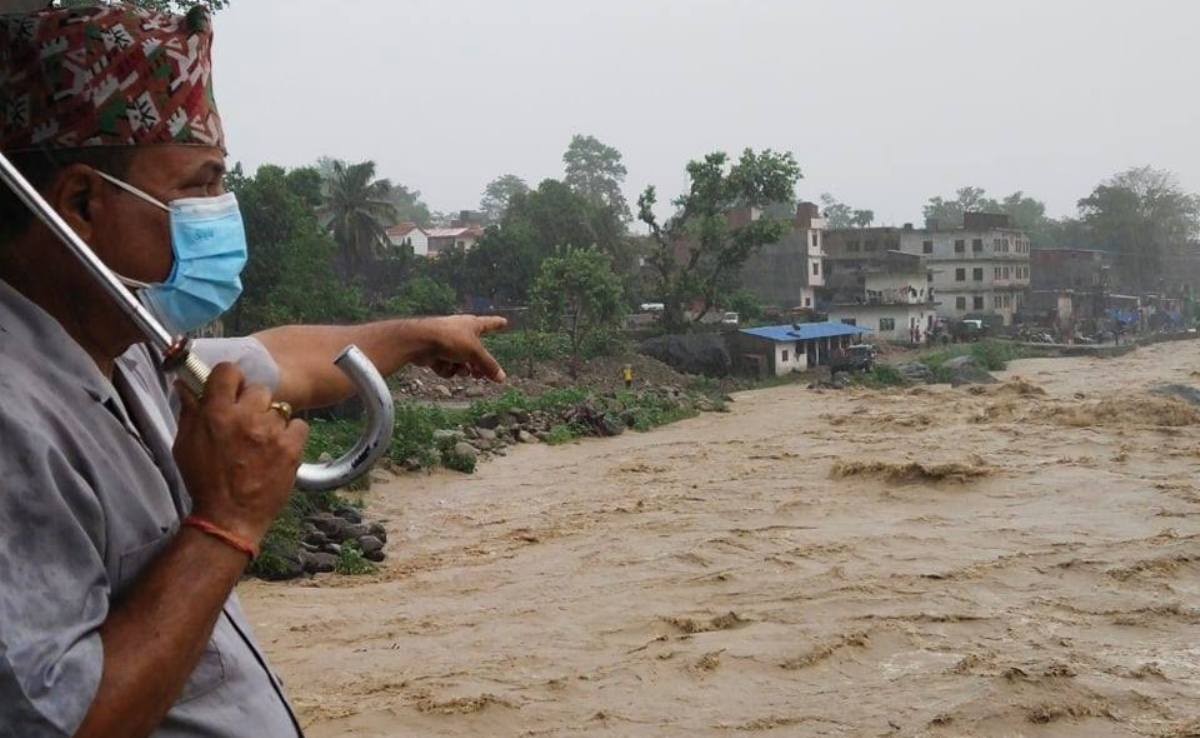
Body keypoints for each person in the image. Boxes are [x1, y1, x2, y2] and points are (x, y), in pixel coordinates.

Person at [0, 5, 506, 737]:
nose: (219, 212)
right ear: (81, 202)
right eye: (201, 186)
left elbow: (285, 362)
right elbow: (64, 723)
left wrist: (414, 335)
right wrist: (225, 523)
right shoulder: (15, 421)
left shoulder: (131, 347)